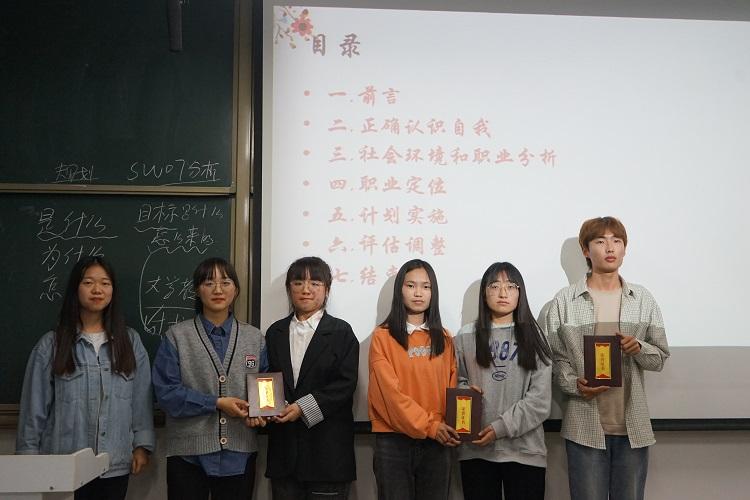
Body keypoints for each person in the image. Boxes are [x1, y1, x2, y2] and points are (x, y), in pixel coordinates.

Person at [545, 216, 670, 500]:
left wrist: (639, 348)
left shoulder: (643, 299)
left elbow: (660, 357)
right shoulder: (564, 301)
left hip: (632, 428)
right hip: (584, 428)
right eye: (600, 241)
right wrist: (575, 384)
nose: (610, 247)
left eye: (617, 241)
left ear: (625, 248)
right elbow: (555, 360)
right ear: (586, 250)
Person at [16, 256, 154, 500]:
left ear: (113, 290)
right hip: (62, 465)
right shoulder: (51, 345)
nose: (97, 289)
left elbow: (141, 400)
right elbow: (33, 408)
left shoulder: (130, 342)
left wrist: (142, 446)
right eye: (88, 282)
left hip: (114, 463)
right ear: (75, 289)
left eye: (105, 283)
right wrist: (27, 457)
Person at [152, 257, 266, 500]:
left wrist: (260, 412)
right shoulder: (176, 336)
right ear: (197, 289)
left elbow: (264, 388)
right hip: (187, 456)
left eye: (225, 282)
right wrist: (216, 403)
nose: (217, 290)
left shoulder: (255, 338)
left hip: (240, 452)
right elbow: (166, 394)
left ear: (236, 290)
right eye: (208, 283)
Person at [454, 262, 552, 500]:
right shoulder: (465, 336)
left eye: (510, 286)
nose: (502, 293)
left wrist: (500, 428)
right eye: (495, 286)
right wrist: (465, 392)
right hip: (476, 451)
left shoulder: (535, 336)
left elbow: (539, 401)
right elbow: (455, 382)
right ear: (484, 293)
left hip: (525, 452)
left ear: (520, 293)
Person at [264, 256, 359, 499]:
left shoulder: (341, 332)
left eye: (315, 283)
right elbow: (266, 378)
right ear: (289, 289)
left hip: (327, 455)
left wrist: (302, 408)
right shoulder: (275, 332)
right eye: (298, 283)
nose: (306, 290)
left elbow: (345, 385)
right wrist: (270, 406)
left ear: (327, 289)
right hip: (284, 454)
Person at [368, 259, 460, 500]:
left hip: (437, 441)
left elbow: (452, 388)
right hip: (394, 442)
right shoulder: (382, 337)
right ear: (400, 290)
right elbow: (390, 395)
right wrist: (429, 426)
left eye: (426, 287)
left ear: (433, 292)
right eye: (411, 285)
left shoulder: (445, 338)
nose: (418, 293)